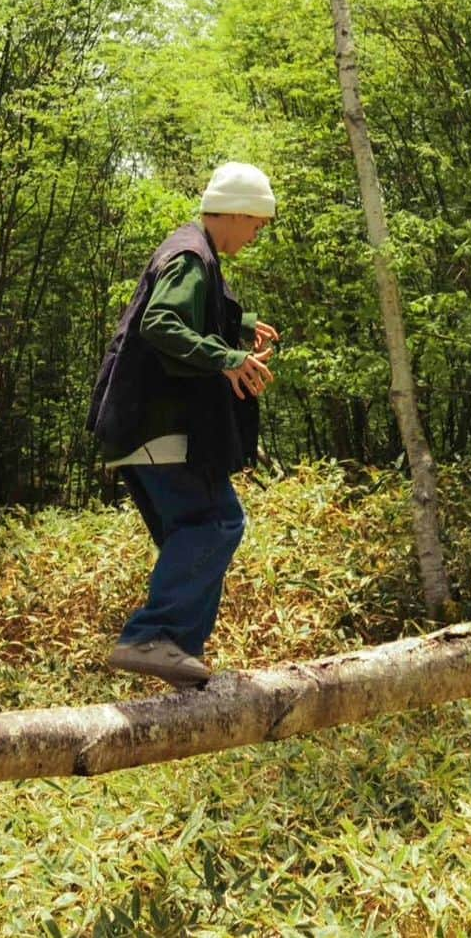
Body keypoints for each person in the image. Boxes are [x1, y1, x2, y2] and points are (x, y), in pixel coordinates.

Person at [87, 162, 279, 688]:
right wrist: (227, 357)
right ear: (238, 213)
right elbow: (161, 322)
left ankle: (175, 652)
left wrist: (234, 324)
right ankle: (153, 636)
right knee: (217, 524)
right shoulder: (192, 258)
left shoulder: (193, 252)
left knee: (192, 533)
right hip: (158, 427)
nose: (257, 234)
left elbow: (180, 312)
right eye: (257, 223)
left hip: (142, 430)